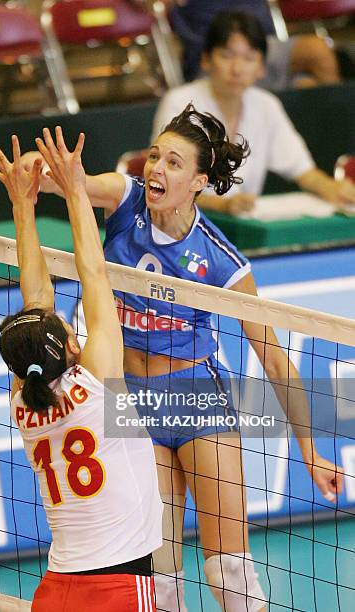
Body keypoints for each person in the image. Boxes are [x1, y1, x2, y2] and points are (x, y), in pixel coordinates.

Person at [23, 104, 344, 611]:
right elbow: (77, 183)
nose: (157, 169)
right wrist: (40, 175)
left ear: (198, 180)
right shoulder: (125, 201)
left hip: (194, 399)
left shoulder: (220, 260)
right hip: (129, 405)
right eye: (155, 156)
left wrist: (309, 449)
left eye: (174, 163)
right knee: (160, 575)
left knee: (230, 572)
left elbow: (276, 361)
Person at [0, 126, 163, 611]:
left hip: (57, 589)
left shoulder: (23, 399)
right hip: (117, 591)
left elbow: (36, 302)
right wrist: (75, 189)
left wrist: (23, 205)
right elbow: (94, 272)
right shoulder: (98, 383)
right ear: (69, 344)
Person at [151, 10, 355, 215]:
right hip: (185, 223)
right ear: (206, 60)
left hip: (243, 222)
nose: (237, 69)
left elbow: (303, 171)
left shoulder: (266, 105)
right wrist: (222, 205)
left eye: (249, 58)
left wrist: (333, 189)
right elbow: (165, 180)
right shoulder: (179, 102)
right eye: (226, 56)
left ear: (261, 68)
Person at [161, 0, 341, 89]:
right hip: (216, 54)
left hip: (264, 47)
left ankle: (337, 151)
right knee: (303, 84)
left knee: (318, 52)